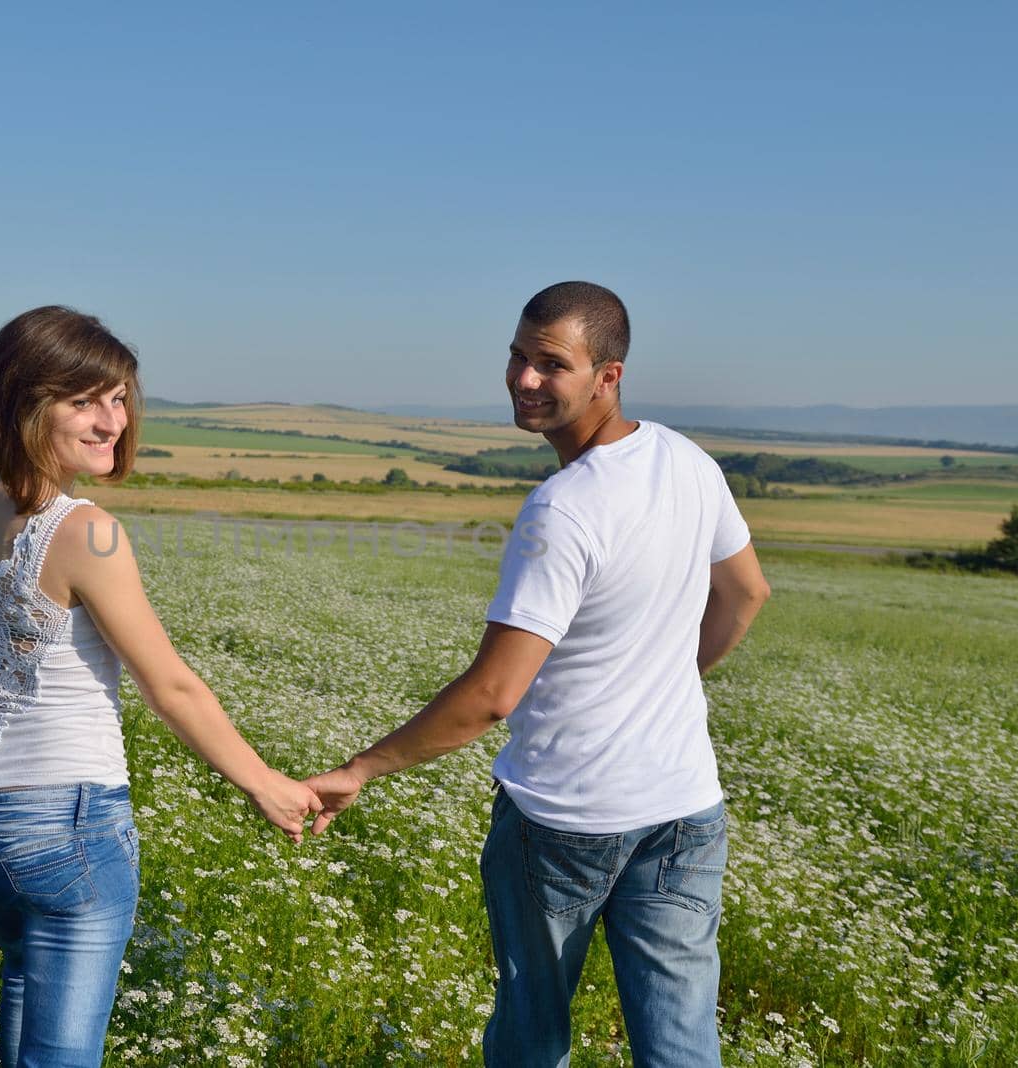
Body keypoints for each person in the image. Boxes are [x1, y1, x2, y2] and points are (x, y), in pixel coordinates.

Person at [0, 306, 321, 1068]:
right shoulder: (88, 531)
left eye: (118, 398)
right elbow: (171, 687)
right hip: (63, 833)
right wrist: (263, 783)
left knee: (26, 1015)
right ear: (23, 403)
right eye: (84, 400)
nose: (111, 420)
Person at [304, 282, 770, 1067]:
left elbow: (493, 696)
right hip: (686, 808)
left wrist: (362, 768)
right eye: (517, 356)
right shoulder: (687, 461)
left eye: (550, 364)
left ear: (607, 377)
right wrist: (668, 679)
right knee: (683, 1041)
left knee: (531, 1033)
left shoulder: (563, 507)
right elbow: (747, 592)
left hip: (564, 819)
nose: (523, 378)